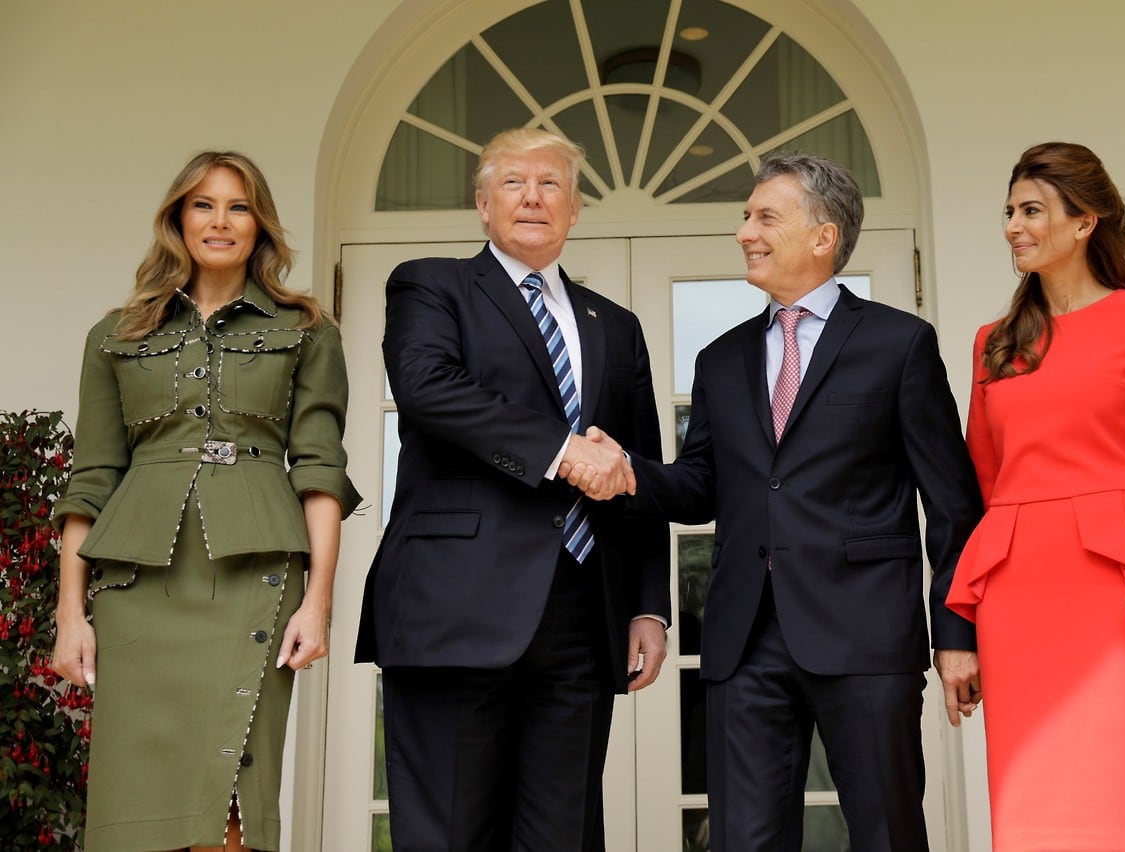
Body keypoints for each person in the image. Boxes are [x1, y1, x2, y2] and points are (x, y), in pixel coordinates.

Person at [568, 151, 985, 851]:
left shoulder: (899, 345)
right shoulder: (720, 359)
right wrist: (630, 472)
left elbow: (952, 507)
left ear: (823, 236)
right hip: (743, 640)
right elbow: (702, 485)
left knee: (888, 834)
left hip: (866, 637)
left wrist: (957, 636)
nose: (744, 232)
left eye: (765, 216)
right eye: (745, 217)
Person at [354, 127, 670, 851]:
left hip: (582, 615)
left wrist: (649, 605)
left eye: (551, 183)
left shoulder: (614, 327)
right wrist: (561, 452)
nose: (533, 197)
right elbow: (430, 389)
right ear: (482, 205)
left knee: (562, 835)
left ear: (576, 207)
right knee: (451, 832)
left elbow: (634, 469)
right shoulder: (431, 285)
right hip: (453, 607)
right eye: (514, 183)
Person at [51, 151, 361, 852]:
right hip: (137, 591)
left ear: (260, 226)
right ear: (177, 220)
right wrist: (71, 613)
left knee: (232, 812)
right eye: (203, 204)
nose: (220, 220)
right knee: (136, 812)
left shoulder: (307, 330)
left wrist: (319, 602)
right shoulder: (116, 334)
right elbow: (90, 478)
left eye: (239, 206)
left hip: (253, 578)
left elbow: (319, 472)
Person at [944, 141, 1125, 850]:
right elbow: (980, 483)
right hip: (1014, 590)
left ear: (1084, 221)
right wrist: (962, 632)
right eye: (1009, 212)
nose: (1013, 226)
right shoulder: (992, 344)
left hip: (1114, 587)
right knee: (1033, 789)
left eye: (1032, 210)